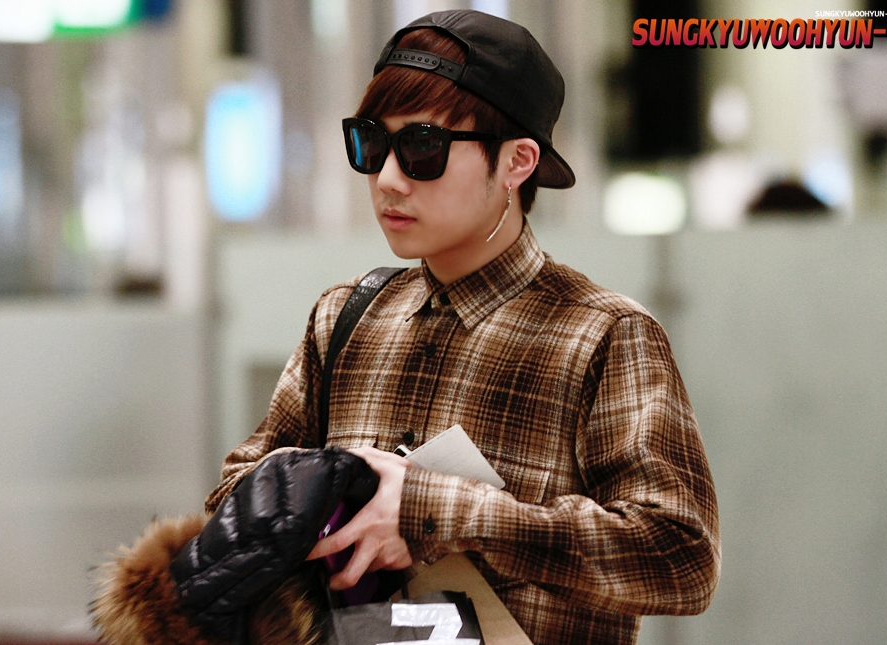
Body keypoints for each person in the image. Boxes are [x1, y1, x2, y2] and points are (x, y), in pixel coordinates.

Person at [205, 10, 720, 645]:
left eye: (423, 148)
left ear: (518, 162)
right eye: (371, 144)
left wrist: (436, 511)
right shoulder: (345, 317)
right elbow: (231, 498)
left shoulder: (601, 335)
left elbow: (680, 558)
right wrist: (328, 488)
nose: (387, 178)